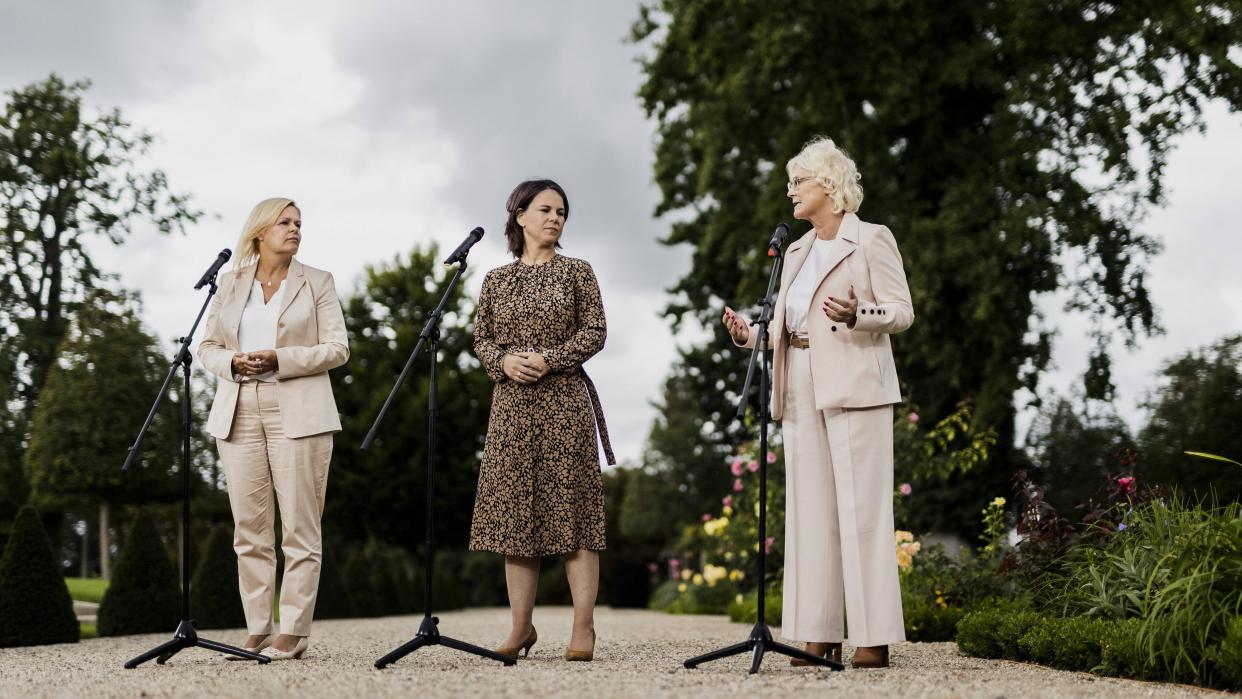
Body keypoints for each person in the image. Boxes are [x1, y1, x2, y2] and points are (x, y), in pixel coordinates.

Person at [723, 137, 913, 668]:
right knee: (810, 511)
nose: (790, 193)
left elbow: (902, 311)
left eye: (798, 182)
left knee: (863, 512)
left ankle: (873, 637)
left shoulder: (871, 238)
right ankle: (817, 631)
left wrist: (861, 313)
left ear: (828, 185)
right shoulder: (797, 251)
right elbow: (787, 320)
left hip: (855, 377)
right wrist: (749, 333)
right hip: (800, 380)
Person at [469, 179, 615, 663]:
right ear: (520, 215)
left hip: (564, 403)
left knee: (573, 515)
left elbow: (596, 330)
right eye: (546, 209)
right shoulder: (495, 279)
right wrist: (504, 362)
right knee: (516, 519)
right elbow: (482, 338)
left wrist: (550, 359)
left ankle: (582, 628)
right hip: (511, 408)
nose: (555, 218)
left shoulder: (578, 271)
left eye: (562, 212)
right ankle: (519, 628)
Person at [198, 197, 349, 661]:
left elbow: (337, 348)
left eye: (299, 223)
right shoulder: (230, 282)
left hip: (299, 411)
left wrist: (279, 359)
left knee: (300, 526)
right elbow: (206, 346)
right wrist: (232, 360)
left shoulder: (317, 281)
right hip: (239, 407)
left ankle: (295, 630)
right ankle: (258, 627)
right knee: (250, 529)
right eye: (284, 222)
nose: (295, 229)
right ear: (260, 231)